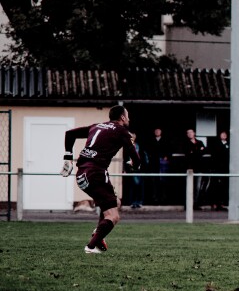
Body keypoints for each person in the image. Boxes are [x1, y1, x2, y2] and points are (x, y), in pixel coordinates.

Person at [62, 105, 140, 254]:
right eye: (127, 115)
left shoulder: (96, 126)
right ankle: (91, 246)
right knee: (114, 216)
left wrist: (67, 158)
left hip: (82, 174)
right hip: (96, 174)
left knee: (115, 202)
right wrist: (133, 164)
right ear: (123, 117)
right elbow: (137, 161)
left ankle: (98, 233)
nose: (128, 118)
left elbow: (69, 134)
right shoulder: (122, 131)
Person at [145, 127, 171, 204]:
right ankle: (154, 198)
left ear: (161, 131)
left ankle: (163, 198)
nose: (157, 132)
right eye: (156, 131)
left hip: (163, 162)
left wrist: (167, 156)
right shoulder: (150, 140)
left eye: (158, 131)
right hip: (153, 162)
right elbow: (147, 150)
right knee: (154, 180)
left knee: (163, 180)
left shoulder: (165, 140)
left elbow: (169, 150)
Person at [124, 132, 148, 209]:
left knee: (140, 185)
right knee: (132, 185)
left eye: (133, 136)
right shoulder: (126, 146)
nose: (132, 137)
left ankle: (139, 202)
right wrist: (125, 169)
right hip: (131, 169)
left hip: (139, 169)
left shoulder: (140, 146)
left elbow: (144, 157)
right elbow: (125, 158)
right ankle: (132, 202)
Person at [208, 130, 230, 210]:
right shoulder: (215, 144)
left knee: (223, 186)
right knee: (214, 185)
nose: (224, 135)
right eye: (222, 134)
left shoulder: (229, 144)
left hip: (225, 168)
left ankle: (221, 203)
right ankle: (213, 203)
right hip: (216, 167)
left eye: (225, 134)